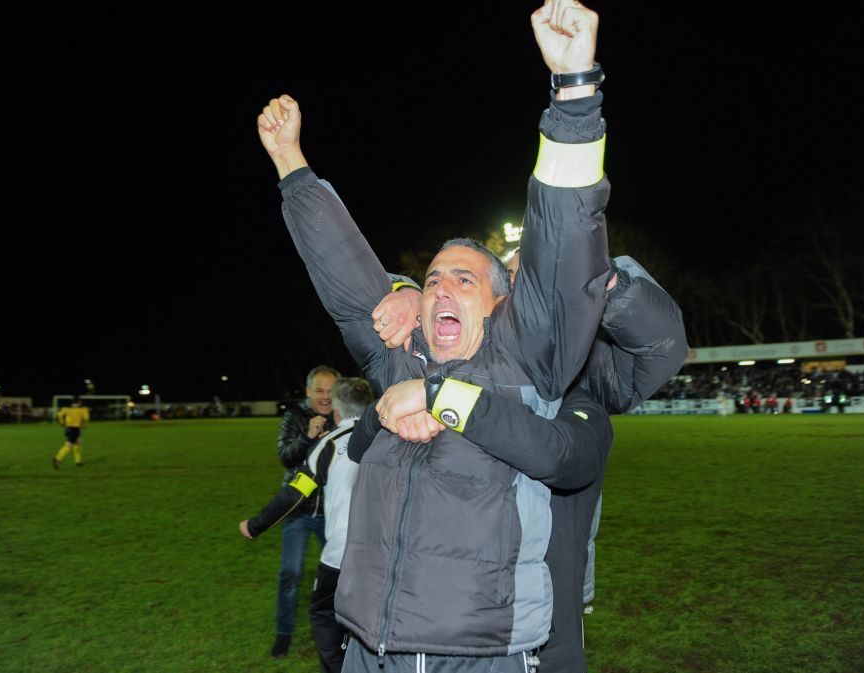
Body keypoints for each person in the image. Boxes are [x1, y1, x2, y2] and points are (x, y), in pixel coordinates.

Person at [258, 2, 611, 668]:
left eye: (465, 279)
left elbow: (565, 240)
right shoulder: (395, 358)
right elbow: (342, 266)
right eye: (433, 278)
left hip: (476, 655)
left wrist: (573, 93)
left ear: (504, 306)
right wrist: (290, 164)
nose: (443, 286)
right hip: (368, 650)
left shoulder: (527, 364)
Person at [370, 253, 688, 673]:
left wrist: (597, 276)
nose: (531, 297)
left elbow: (661, 345)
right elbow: (370, 300)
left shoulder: (583, 383)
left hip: (545, 622)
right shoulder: (442, 370)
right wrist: (405, 291)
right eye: (519, 280)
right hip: (430, 628)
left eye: (546, 278)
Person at [240, 377, 374, 673]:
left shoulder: (329, 443)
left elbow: (295, 491)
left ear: (337, 410)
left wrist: (256, 525)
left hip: (341, 555)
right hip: (386, 557)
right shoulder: (392, 436)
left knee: (324, 615)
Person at [270, 364, 339, 657]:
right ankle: (283, 634)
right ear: (308, 391)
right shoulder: (295, 417)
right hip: (298, 511)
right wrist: (308, 437)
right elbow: (286, 458)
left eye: (331, 391)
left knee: (340, 574)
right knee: (290, 573)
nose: (325, 397)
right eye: (319, 390)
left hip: (332, 512)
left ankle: (342, 630)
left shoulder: (342, 417)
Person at [52, 396, 89, 468]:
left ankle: (78, 461)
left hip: (69, 428)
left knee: (78, 442)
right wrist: (84, 425)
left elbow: (59, 415)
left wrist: (62, 422)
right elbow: (86, 418)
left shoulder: (67, 409)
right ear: (79, 402)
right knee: (69, 446)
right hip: (75, 429)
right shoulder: (82, 410)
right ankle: (57, 459)